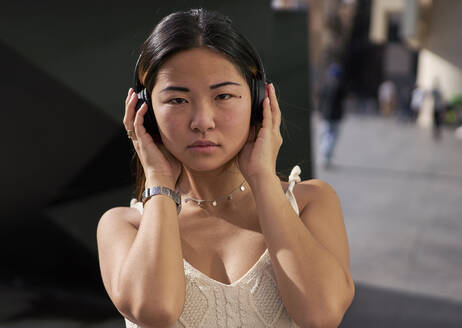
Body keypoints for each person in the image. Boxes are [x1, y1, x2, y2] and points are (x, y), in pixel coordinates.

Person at [96, 9, 354, 328]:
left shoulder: (311, 203)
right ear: (145, 113)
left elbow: (321, 314)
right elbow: (156, 311)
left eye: (223, 95)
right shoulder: (124, 227)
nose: (202, 121)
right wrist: (159, 180)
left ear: (259, 100)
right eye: (177, 100)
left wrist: (262, 179)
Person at [318, 63, 346, 168]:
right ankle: (325, 158)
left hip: (326, 115)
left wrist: (320, 111)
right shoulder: (340, 87)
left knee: (326, 136)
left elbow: (320, 99)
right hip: (334, 116)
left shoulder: (325, 85)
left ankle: (325, 158)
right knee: (331, 137)